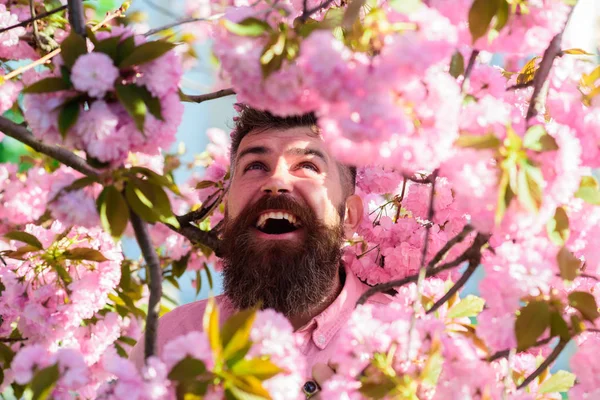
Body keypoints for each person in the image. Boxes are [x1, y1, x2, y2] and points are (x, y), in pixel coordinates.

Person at [129, 106, 391, 397]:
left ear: (349, 217)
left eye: (308, 166)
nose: (276, 182)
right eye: (255, 165)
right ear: (227, 214)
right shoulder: (171, 341)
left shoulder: (407, 342)